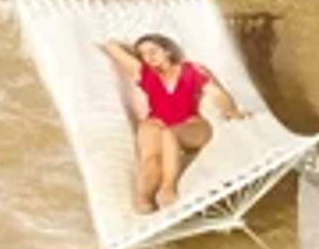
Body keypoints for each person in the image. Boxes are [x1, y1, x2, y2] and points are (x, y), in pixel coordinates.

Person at [104, 30, 242, 214]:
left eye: (153, 51)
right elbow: (111, 46)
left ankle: (168, 187)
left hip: (190, 124)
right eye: (143, 54)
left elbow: (217, 93)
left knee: (169, 134)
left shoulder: (192, 70)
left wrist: (231, 111)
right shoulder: (144, 73)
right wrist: (134, 50)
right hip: (157, 121)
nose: (148, 57)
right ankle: (143, 198)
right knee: (150, 156)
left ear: (167, 50)